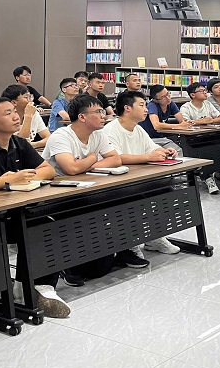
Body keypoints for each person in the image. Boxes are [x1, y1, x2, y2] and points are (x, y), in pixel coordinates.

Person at [0, 97, 71, 319]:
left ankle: (39, 286)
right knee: (34, 228)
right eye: (7, 113)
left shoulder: (18, 143)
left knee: (47, 224)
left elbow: (48, 170)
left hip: (12, 212)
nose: (16, 116)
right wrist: (6, 181)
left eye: (14, 111)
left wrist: (24, 177)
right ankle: (24, 288)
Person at [43, 95, 148, 271]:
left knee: (130, 198)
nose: (103, 115)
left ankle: (125, 248)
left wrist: (85, 165)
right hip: (58, 194)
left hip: (87, 187)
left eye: (102, 111)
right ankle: (69, 266)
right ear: (82, 117)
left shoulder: (98, 134)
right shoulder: (61, 136)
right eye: (98, 112)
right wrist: (92, 157)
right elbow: (71, 169)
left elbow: (115, 159)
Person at [103, 91, 185, 254]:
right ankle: (130, 243)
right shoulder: (111, 130)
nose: (146, 109)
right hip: (119, 182)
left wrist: (165, 151)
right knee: (134, 202)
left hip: (140, 178)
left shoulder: (138, 129)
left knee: (168, 193)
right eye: (141, 105)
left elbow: (151, 148)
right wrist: (148, 157)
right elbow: (116, 157)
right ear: (127, 108)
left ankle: (155, 237)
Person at [1, 84, 51, 150]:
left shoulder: (34, 113)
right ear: (14, 102)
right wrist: (28, 116)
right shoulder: (6, 118)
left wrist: (34, 144)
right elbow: (20, 144)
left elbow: (49, 137)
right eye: (26, 97)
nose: (31, 101)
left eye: (30, 97)